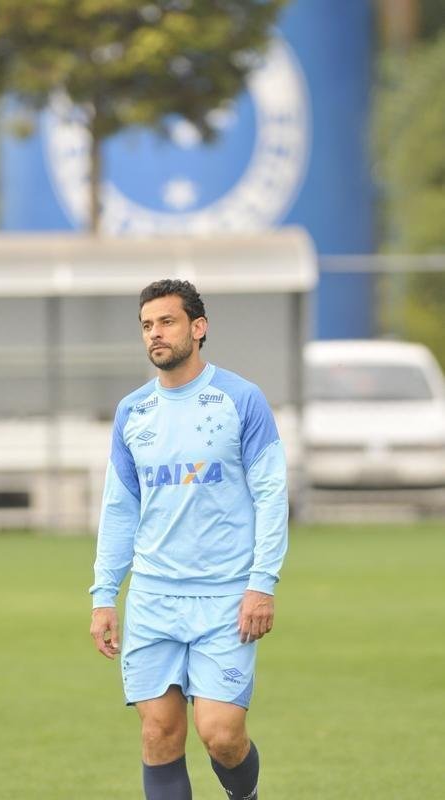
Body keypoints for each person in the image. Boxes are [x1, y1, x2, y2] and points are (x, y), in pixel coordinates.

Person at [90, 279, 288, 800]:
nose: (155, 334)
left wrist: (261, 584)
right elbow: (119, 508)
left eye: (167, 321)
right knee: (159, 733)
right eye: (147, 325)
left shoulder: (240, 400)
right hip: (154, 597)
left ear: (198, 328)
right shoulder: (132, 412)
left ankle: (243, 794)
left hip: (226, 596)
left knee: (221, 735)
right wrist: (104, 595)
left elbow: (271, 496)